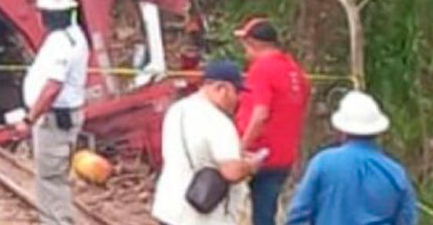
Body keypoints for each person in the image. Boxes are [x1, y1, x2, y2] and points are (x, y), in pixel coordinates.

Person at [15, 0, 89, 225]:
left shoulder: (60, 43)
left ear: (45, 16)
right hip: (61, 118)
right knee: (53, 178)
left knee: (50, 181)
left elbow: (52, 88)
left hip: (55, 120)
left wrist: (29, 119)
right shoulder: (74, 34)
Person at [152, 60, 261, 225]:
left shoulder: (177, 109)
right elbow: (231, 171)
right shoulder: (219, 121)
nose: (238, 99)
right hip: (203, 217)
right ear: (221, 89)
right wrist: (250, 165)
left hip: (170, 209)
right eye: (236, 91)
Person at [287, 90, 417, 224]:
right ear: (377, 132)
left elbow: (299, 215)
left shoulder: (322, 163)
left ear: (341, 130)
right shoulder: (395, 173)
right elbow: (406, 218)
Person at [234, 17, 311, 225]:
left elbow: (260, 114)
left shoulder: (261, 68)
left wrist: (240, 148)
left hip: (258, 155)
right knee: (266, 211)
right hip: (284, 156)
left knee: (237, 211)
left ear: (254, 43)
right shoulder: (294, 70)